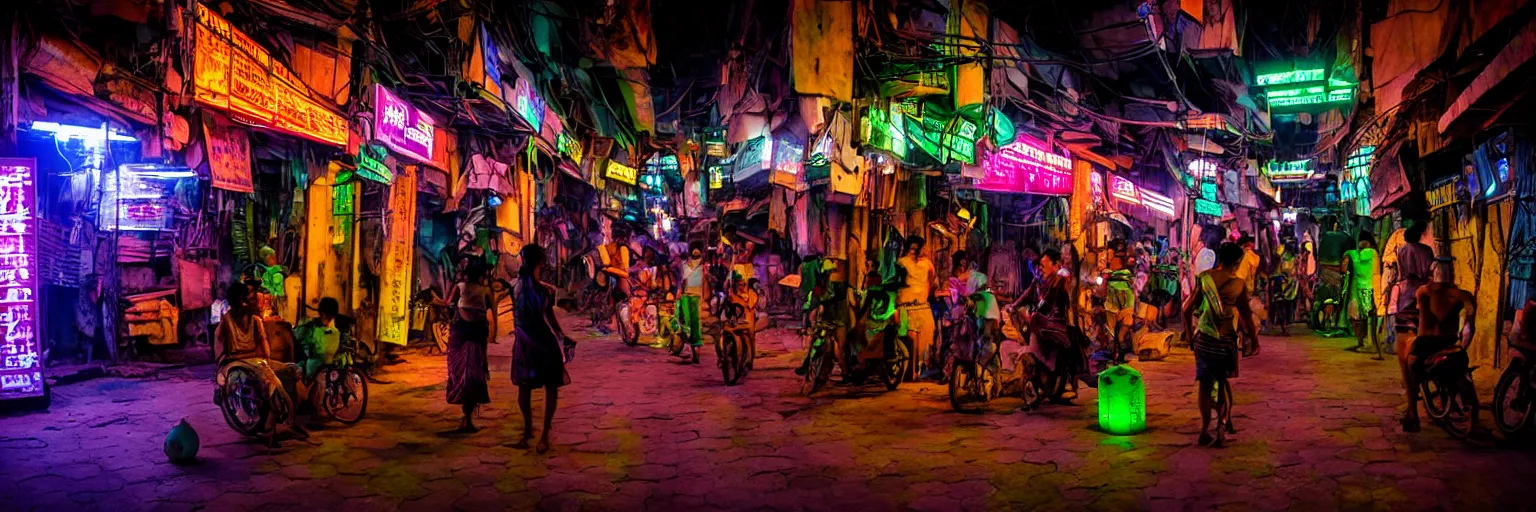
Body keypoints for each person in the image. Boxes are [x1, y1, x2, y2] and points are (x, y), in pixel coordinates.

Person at [1181, 242, 1258, 448]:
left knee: (1205, 386)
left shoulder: (1205, 279)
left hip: (1205, 340)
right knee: (1222, 382)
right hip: (1226, 341)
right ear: (1237, 262)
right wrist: (1254, 339)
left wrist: (1189, 335)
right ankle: (1221, 430)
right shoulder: (1239, 284)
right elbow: (1246, 316)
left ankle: (1205, 429)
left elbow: (1187, 309)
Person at [215, 282, 305, 443]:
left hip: (255, 360)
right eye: (245, 299)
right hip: (237, 362)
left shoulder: (252, 319)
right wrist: (222, 364)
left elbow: (264, 348)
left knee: (291, 370)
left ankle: (288, 418)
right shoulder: (230, 320)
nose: (247, 302)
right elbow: (220, 341)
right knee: (271, 383)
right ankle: (271, 426)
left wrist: (267, 361)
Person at [1395, 259, 1475, 433]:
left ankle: (1412, 412)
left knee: (1409, 366)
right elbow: (1469, 327)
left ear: (1432, 275)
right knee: (1463, 368)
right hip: (1449, 342)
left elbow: (1420, 313)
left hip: (1426, 343)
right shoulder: (1463, 296)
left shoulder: (1423, 292)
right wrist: (1462, 346)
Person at [510, 245, 572, 453]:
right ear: (541, 263)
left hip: (533, 340)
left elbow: (549, 316)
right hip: (533, 340)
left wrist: (562, 336)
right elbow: (549, 316)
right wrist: (562, 336)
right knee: (542, 387)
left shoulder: (519, 286)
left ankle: (536, 432)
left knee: (531, 387)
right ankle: (539, 433)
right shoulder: (534, 288)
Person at [1016, 248, 1090, 403]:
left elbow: (1048, 304)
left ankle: (1058, 379)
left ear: (1056, 265)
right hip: (1045, 325)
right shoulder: (1040, 280)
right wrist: (1013, 305)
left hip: (1058, 327)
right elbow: (1027, 294)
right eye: (1039, 266)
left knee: (1035, 320)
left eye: (1043, 265)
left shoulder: (1061, 280)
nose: (1040, 269)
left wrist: (1034, 314)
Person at [444, 262, 496, 433]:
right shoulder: (486, 291)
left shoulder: (460, 287)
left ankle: (467, 417)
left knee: (461, 374)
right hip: (475, 335)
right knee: (474, 374)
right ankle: (468, 417)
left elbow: (446, 303)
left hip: (463, 335)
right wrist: (492, 337)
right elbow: (493, 315)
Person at [896, 234, 939, 378]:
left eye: (917, 248)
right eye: (912, 248)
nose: (914, 251)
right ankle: (910, 372)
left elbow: (932, 282)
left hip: (923, 307)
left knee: (926, 341)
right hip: (907, 307)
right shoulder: (902, 262)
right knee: (910, 339)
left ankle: (920, 369)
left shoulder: (927, 264)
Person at [1388, 222, 1434, 340]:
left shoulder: (1403, 249)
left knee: (1406, 327)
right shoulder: (1427, 250)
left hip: (1407, 290)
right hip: (1424, 287)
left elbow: (1405, 270)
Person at [1343, 232, 1384, 359]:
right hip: (1369, 287)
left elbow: (1359, 265)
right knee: (1367, 318)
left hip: (1368, 288)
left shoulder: (1369, 253)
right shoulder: (1373, 253)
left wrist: (1348, 253)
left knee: (1369, 318)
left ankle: (1370, 345)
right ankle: (1367, 343)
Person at [673, 242, 708, 364]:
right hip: (686, 296)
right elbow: (681, 280)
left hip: (697, 297)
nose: (696, 251)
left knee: (694, 323)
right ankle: (688, 347)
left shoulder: (704, 265)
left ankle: (694, 348)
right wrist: (679, 292)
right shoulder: (685, 265)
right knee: (686, 321)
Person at [1103, 238, 1136, 361]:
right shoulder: (1109, 273)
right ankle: (1116, 348)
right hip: (1112, 304)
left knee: (1124, 325)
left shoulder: (1125, 275)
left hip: (1124, 304)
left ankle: (1120, 345)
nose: (1110, 259)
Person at [1270, 244, 1299, 336]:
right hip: (1282, 286)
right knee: (1283, 308)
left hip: (1284, 286)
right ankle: (1284, 328)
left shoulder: (1288, 258)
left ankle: (1284, 328)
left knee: (1283, 308)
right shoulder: (1289, 258)